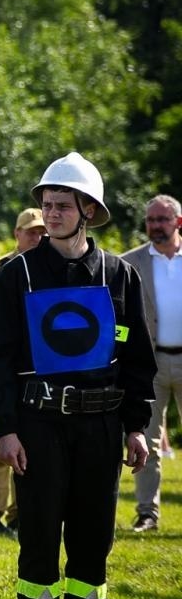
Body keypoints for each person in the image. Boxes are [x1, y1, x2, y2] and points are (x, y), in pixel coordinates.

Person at [0, 154, 155, 599]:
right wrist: (7, 429)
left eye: (63, 205)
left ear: (88, 210)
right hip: (37, 426)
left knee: (92, 540)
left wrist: (135, 426)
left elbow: (136, 359)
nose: (52, 213)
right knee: (37, 537)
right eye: (47, 204)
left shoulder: (118, 275)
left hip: (100, 428)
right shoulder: (17, 274)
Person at [0, 208, 46, 538]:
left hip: (42, 371)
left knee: (34, 443)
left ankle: (20, 514)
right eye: (31, 232)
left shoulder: (52, 267)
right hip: (6, 368)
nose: (38, 237)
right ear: (17, 234)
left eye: (42, 232)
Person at [123, 193, 180, 533]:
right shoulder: (130, 263)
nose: (155, 226)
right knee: (146, 439)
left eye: (162, 220)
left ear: (178, 222)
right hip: (150, 364)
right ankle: (148, 513)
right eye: (150, 220)